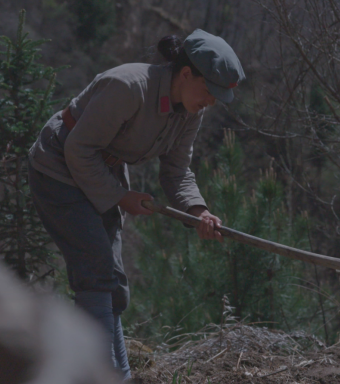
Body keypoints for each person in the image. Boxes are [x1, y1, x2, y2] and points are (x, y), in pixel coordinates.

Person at [28, 29, 245, 381]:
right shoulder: (128, 86)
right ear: (186, 74)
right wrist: (121, 198)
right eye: (209, 91)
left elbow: (176, 172)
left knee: (112, 282)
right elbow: (78, 149)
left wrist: (198, 212)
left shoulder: (192, 111)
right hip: (58, 170)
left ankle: (119, 374)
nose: (211, 102)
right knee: (96, 272)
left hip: (104, 175)